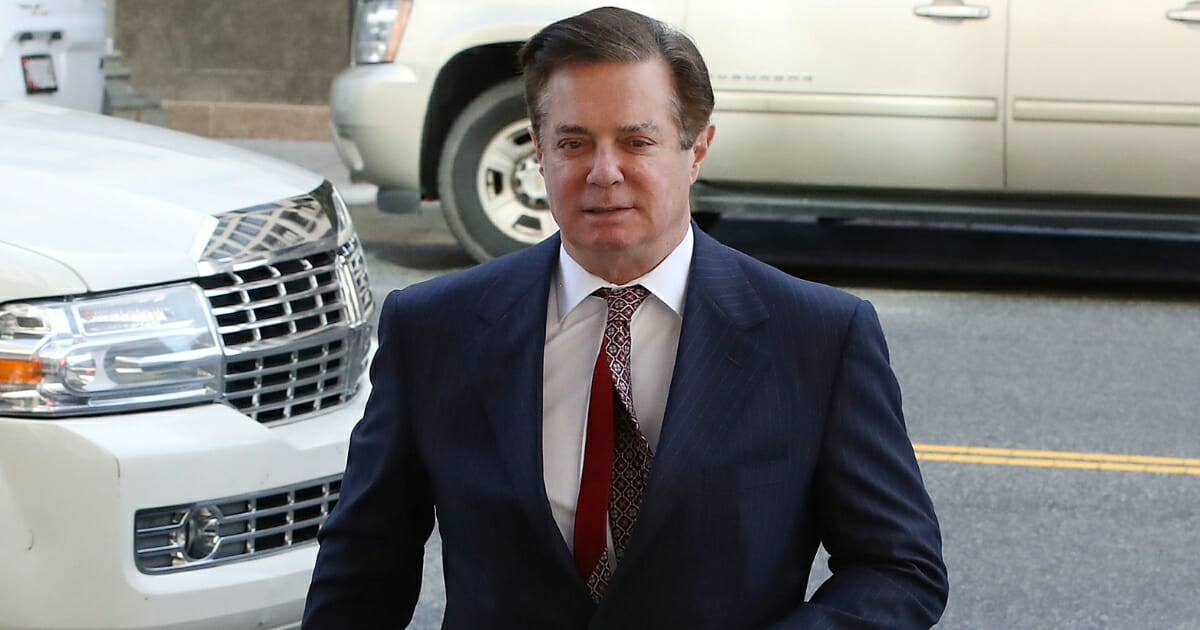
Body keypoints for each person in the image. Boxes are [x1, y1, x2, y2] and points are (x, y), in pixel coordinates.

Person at [302, 6, 947, 629]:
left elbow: (898, 566)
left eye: (637, 141)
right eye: (574, 142)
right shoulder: (433, 329)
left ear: (697, 151)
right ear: (540, 151)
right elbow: (364, 568)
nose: (603, 172)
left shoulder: (819, 336)